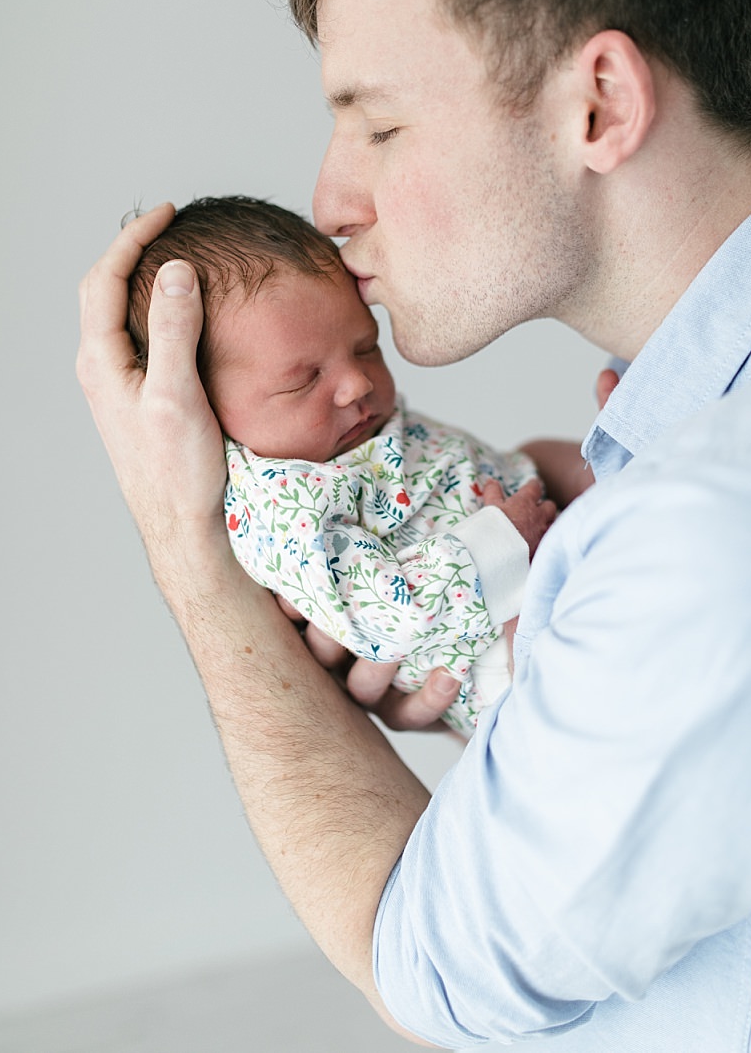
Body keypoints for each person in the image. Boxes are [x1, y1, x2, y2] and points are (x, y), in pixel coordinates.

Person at [77, 0, 751, 1048]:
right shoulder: (750, 434)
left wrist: (191, 550)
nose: (329, 199)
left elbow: (441, 977)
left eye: (377, 124)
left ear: (597, 104)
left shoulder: (728, 524)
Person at [125, 195, 555, 734]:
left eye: (366, 347)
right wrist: (504, 541)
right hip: (501, 659)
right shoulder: (279, 502)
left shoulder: (351, 431)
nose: (357, 383)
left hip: (545, 558)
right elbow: (381, 617)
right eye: (303, 381)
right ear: (205, 407)